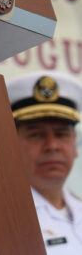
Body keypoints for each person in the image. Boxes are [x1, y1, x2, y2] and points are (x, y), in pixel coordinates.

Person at [7, 71, 82, 253]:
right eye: (36, 134)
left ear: (74, 144)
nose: (52, 145)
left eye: (61, 134)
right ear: (11, 144)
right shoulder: (4, 218)